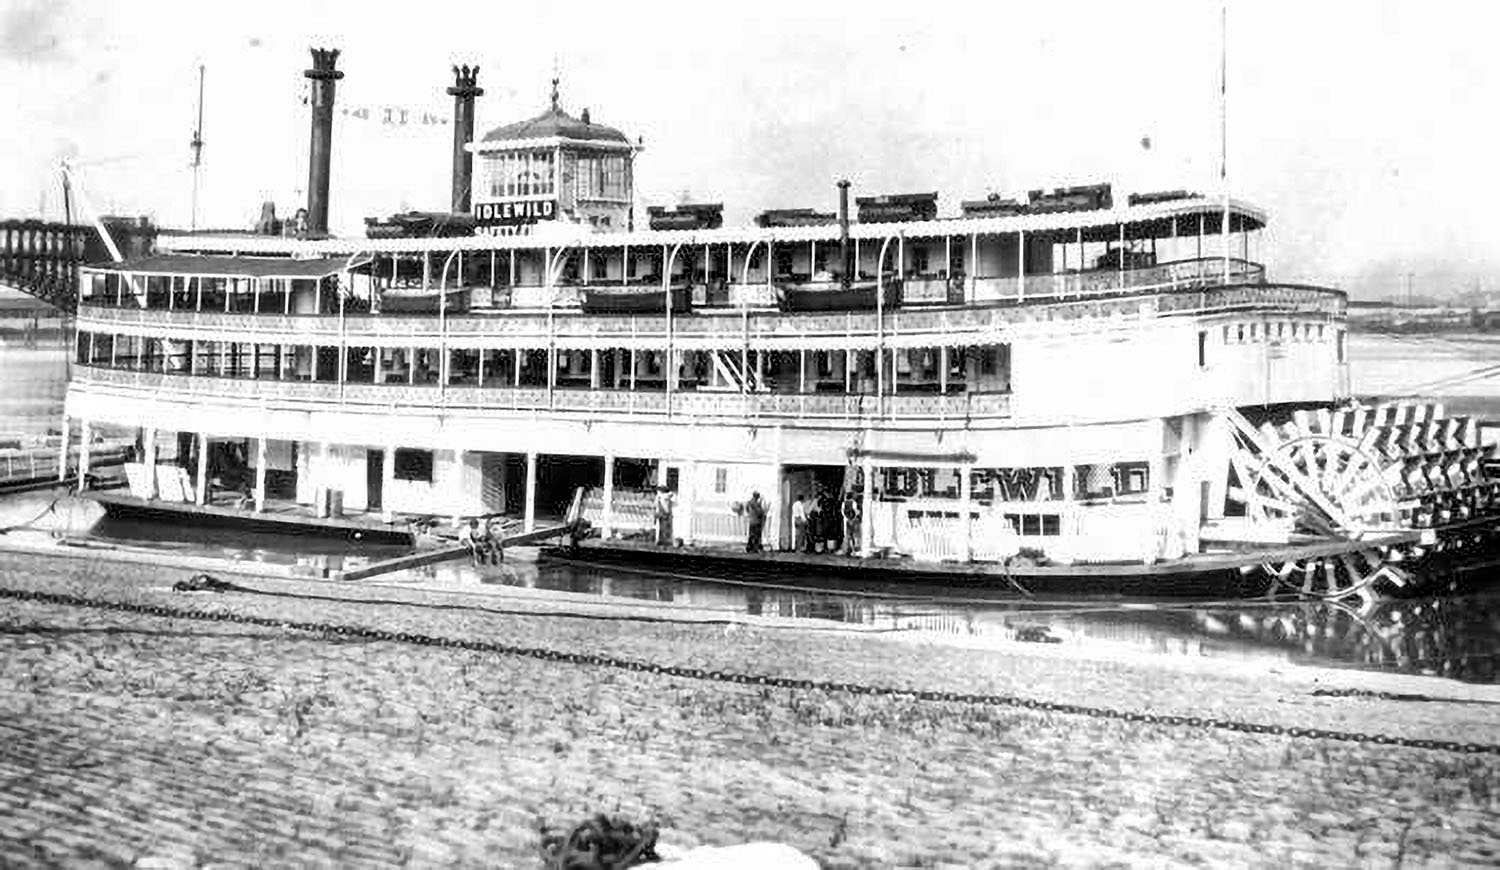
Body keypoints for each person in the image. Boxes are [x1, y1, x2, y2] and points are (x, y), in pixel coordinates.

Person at [841, 491, 861, 556]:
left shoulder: (844, 503)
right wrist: (858, 514)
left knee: (847, 535)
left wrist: (845, 517)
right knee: (855, 535)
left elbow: (842, 511)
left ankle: (847, 549)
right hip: (853, 520)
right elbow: (855, 511)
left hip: (846, 520)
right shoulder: (853, 502)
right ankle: (855, 550)